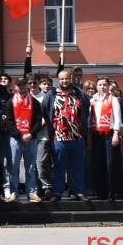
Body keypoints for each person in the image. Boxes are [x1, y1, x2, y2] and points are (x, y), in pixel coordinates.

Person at [43, 69, 90, 202]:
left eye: (67, 78)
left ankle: (79, 192)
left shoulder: (79, 94)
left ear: (71, 79)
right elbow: (45, 110)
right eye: (62, 79)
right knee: (58, 166)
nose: (64, 81)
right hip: (59, 137)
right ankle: (57, 192)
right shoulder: (52, 94)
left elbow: (86, 110)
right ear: (58, 80)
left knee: (77, 166)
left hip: (77, 137)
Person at [1, 76, 43, 203]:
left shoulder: (35, 102)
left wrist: (31, 134)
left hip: (31, 139)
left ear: (27, 85)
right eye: (19, 85)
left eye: (24, 84)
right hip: (15, 139)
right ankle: (14, 192)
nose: (22, 86)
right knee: (13, 167)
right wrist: (20, 135)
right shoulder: (10, 102)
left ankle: (31, 192)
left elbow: (38, 120)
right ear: (15, 87)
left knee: (30, 167)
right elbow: (8, 122)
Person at [89, 77, 123, 199]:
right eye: (100, 85)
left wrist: (116, 133)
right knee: (98, 163)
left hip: (110, 133)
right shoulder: (92, 100)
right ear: (96, 87)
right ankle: (100, 191)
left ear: (108, 87)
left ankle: (111, 191)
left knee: (110, 163)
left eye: (104, 85)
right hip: (96, 134)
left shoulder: (113, 99)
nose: (102, 87)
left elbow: (118, 118)